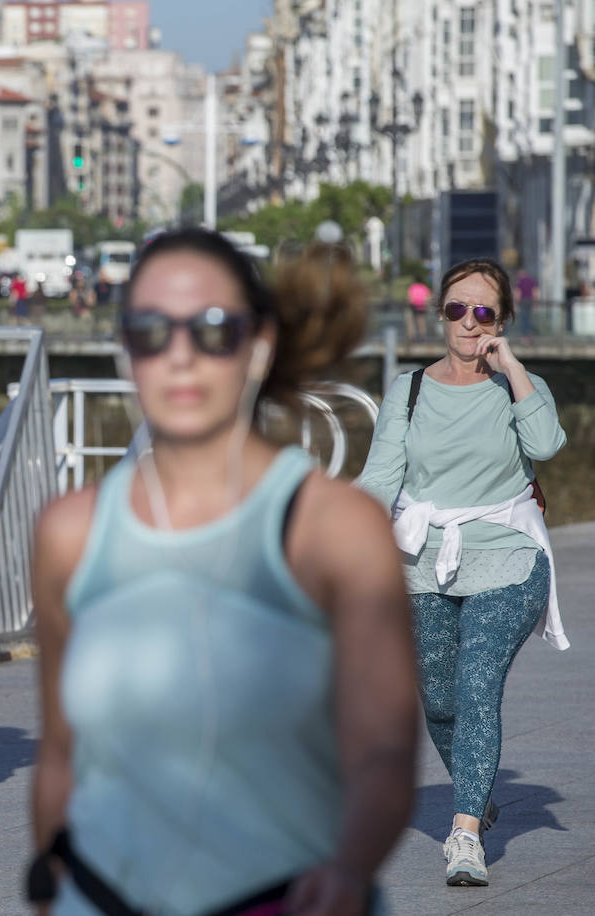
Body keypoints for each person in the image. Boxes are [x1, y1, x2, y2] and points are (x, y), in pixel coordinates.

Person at [29, 229, 418, 915]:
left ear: (258, 344)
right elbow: (61, 753)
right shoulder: (71, 533)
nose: (180, 357)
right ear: (126, 350)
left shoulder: (334, 529)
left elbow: (384, 752)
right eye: (151, 331)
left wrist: (350, 868)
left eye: (212, 330)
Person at [357, 257, 567, 887]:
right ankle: (478, 791)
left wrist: (512, 369)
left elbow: (548, 445)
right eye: (457, 309)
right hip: (424, 564)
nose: (468, 324)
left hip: (508, 557)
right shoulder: (410, 390)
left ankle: (466, 833)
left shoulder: (517, 386)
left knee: (477, 682)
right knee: (441, 702)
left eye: (483, 312)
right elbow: (379, 479)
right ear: (439, 314)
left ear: (502, 321)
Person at [514, 268, 537, 338]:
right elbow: (535, 291)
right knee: (529, 318)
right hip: (530, 301)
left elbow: (518, 293)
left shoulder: (519, 281)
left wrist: (516, 304)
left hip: (523, 302)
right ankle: (529, 334)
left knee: (524, 319)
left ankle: (525, 336)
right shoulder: (531, 280)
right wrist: (535, 302)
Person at [407, 276, 431, 341]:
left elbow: (410, 298)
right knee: (422, 322)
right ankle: (422, 336)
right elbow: (428, 298)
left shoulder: (412, 287)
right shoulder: (424, 287)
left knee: (412, 322)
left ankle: (412, 337)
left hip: (413, 306)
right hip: (422, 306)